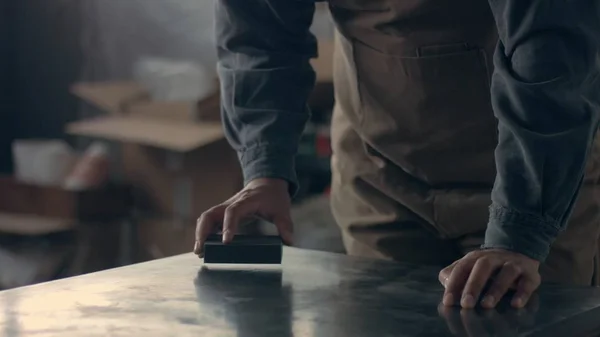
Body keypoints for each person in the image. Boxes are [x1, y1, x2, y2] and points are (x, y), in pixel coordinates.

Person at [195, 0, 600, 309]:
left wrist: (521, 231)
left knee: (522, 317)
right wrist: (264, 169)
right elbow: (259, 26)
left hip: (539, 169)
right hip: (380, 173)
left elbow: (550, 55)